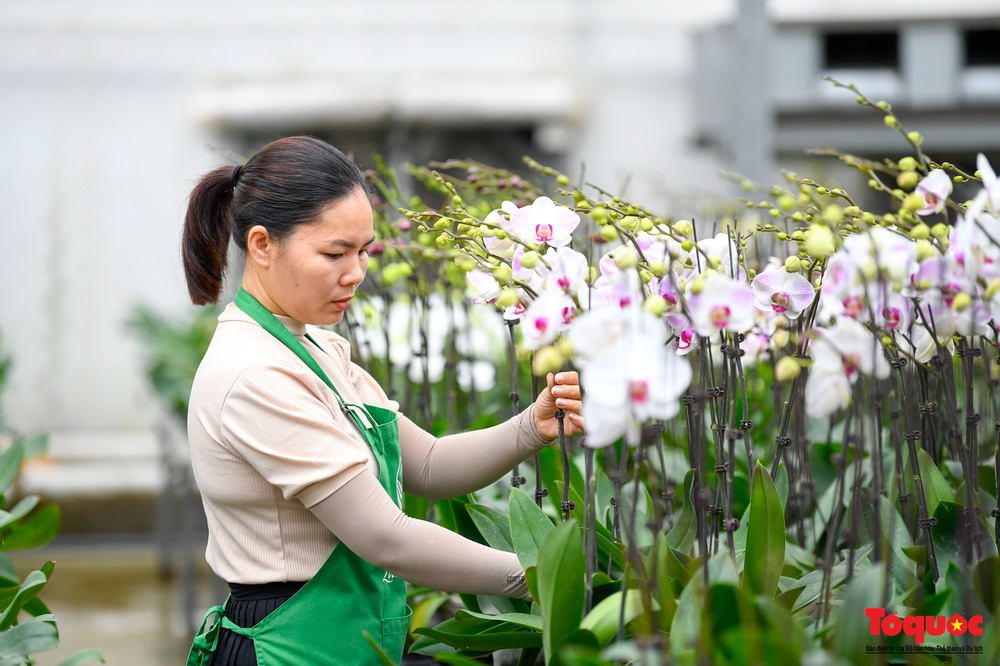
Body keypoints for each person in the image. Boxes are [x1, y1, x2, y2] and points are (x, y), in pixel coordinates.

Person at [180, 136, 584, 666]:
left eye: (364, 251)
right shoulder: (254, 373)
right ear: (261, 245)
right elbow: (386, 538)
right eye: (334, 253)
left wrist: (531, 427)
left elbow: (430, 464)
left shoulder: (316, 347)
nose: (357, 272)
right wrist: (544, 579)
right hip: (289, 645)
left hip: (348, 634)